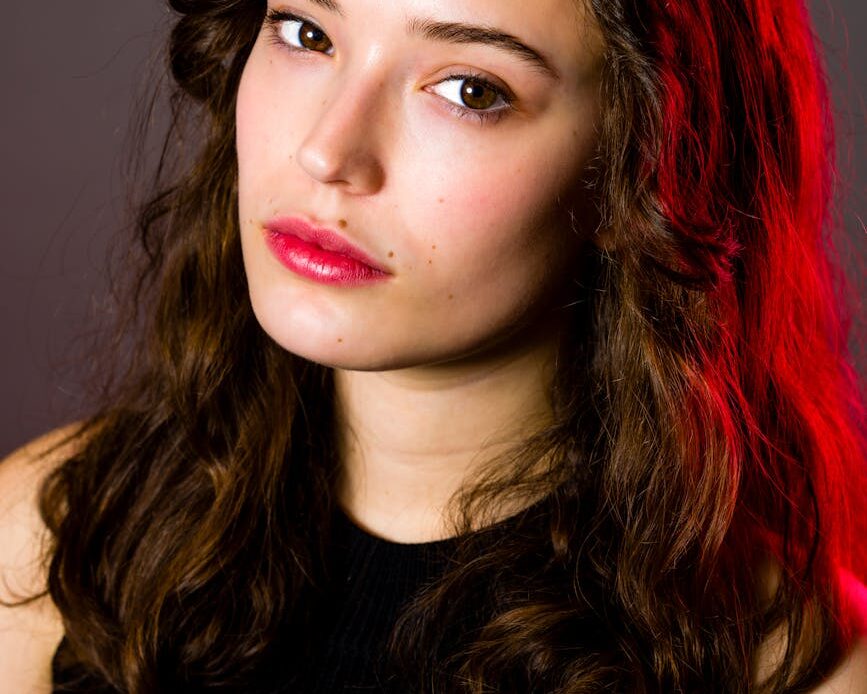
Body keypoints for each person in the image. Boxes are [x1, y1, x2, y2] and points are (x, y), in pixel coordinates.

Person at [1, 0, 866, 691]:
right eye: (307, 33)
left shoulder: (797, 669)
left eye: (469, 90)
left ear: (639, 172)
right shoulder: (47, 541)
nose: (327, 150)